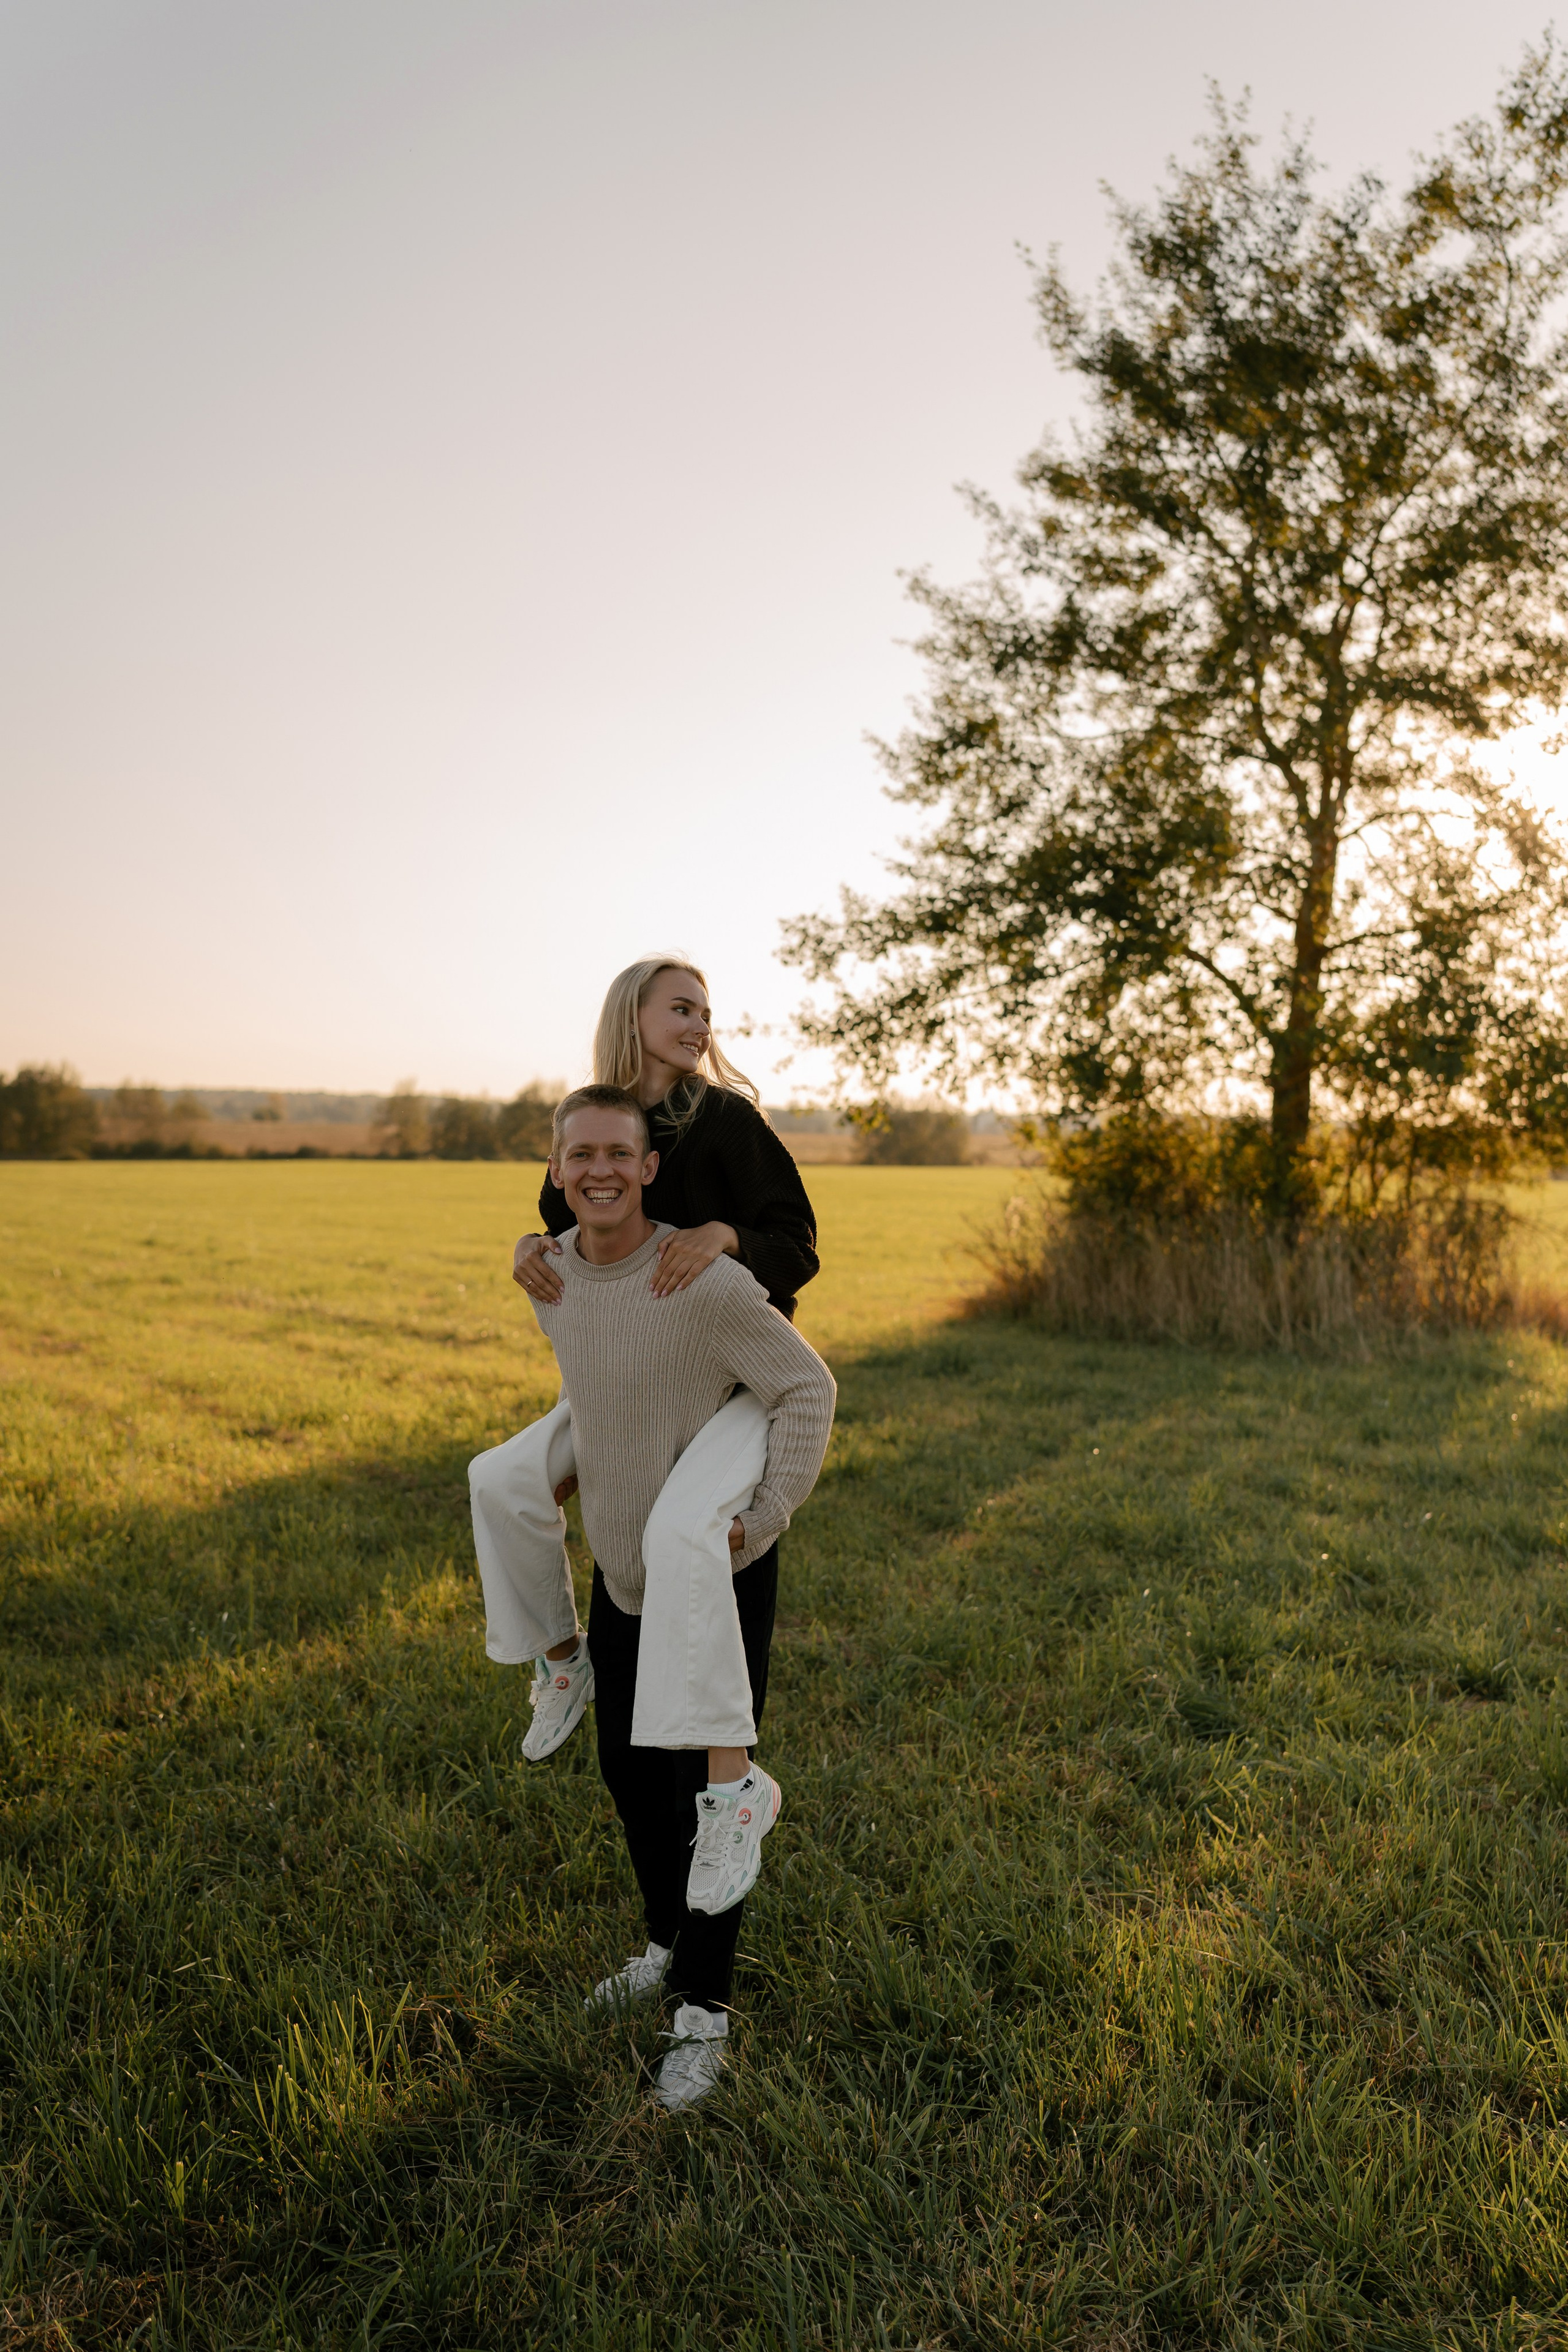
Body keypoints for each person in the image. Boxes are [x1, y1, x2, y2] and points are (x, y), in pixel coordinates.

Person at [470, 1083, 835, 2113]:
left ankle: (702, 2016)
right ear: (556, 1173)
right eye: (578, 1155)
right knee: (631, 1783)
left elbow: (807, 1389)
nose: (598, 1171)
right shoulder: (554, 1280)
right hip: (620, 1568)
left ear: (649, 1167)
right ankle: (661, 1946)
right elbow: (599, 1392)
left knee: (702, 1802)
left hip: (707, 1568)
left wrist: (756, 1522)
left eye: (618, 1155)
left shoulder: (703, 1279)